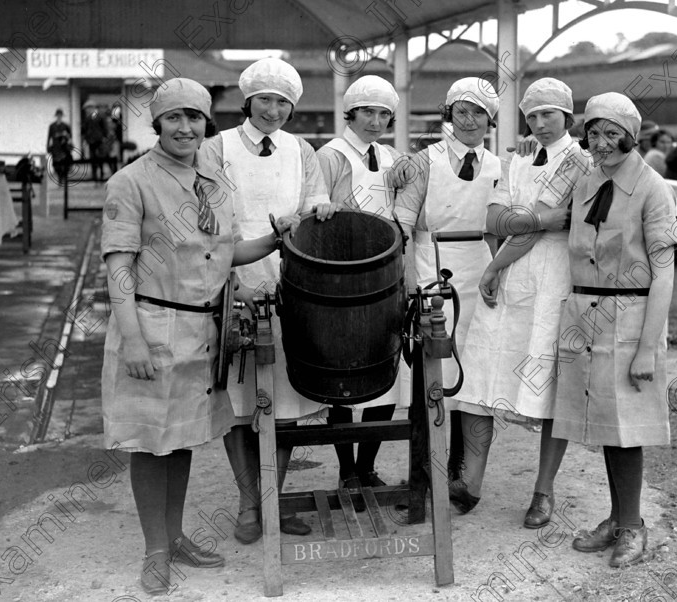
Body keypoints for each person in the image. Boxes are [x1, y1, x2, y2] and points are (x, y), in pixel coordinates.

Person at [100, 77, 298, 594]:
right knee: (150, 444)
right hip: (152, 325)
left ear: (206, 124)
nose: (185, 127)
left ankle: (176, 535)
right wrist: (135, 341)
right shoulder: (131, 182)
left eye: (194, 118)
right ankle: (155, 551)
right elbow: (118, 269)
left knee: (182, 438)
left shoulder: (213, 181)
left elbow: (226, 252)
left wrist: (279, 237)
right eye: (173, 118)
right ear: (157, 123)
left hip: (202, 329)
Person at [200, 57, 331, 545]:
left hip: (290, 287)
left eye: (283, 102)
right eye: (265, 100)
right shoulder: (217, 149)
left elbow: (317, 201)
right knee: (239, 403)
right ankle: (248, 503)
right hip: (231, 284)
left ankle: (273, 497)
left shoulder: (302, 151)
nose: (273, 110)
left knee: (285, 399)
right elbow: (207, 220)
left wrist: (320, 206)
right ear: (247, 101)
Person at [450, 78, 588, 521]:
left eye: (549, 114)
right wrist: (540, 220)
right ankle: (469, 481)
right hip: (511, 276)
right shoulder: (517, 161)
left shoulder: (579, 161)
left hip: (554, 281)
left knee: (548, 384)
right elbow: (495, 218)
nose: (540, 123)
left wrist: (494, 263)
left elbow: (520, 225)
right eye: (532, 115)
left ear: (568, 117)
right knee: (481, 378)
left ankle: (542, 492)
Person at [555, 92, 677, 567]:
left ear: (631, 136)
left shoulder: (652, 188)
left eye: (612, 134)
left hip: (629, 319)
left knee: (627, 428)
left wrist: (646, 348)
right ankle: (618, 516)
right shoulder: (586, 181)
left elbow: (665, 271)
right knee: (605, 426)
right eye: (593, 132)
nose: (601, 142)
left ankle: (633, 526)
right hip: (585, 316)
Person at [395, 77, 502, 513]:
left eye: (479, 112)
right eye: (462, 111)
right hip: (430, 271)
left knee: (470, 379)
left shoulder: (500, 165)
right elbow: (402, 223)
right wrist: (406, 282)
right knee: (427, 382)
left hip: (481, 275)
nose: (470, 120)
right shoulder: (425, 161)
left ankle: (458, 478)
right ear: (449, 115)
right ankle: (420, 480)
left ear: (491, 120)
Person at [315, 75, 404, 498]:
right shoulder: (329, 155)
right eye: (367, 111)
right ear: (350, 113)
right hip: (339, 277)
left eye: (384, 113)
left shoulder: (391, 156)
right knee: (342, 376)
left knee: (385, 371)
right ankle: (346, 470)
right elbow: (313, 207)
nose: (376, 120)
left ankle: (367, 467)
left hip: (383, 277)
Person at [47, 108, 72, 184]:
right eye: (58, 115)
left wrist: (65, 136)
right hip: (55, 147)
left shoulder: (65, 126)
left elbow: (70, 136)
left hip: (63, 147)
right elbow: (49, 137)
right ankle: (60, 178)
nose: (59, 117)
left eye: (60, 115)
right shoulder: (52, 126)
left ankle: (63, 178)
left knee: (64, 164)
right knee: (56, 164)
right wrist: (48, 146)